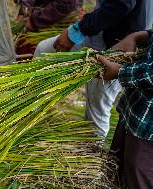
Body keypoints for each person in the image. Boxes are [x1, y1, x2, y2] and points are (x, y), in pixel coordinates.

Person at [34, 0, 152, 138]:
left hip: (116, 48)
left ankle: (94, 154)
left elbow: (121, 4)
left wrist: (77, 31)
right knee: (43, 49)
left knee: (97, 110)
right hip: (98, 37)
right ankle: (33, 114)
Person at [97, 29, 153, 188]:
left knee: (137, 177)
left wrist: (120, 72)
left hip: (147, 130)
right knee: (117, 167)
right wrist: (139, 36)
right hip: (135, 110)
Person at [14, 0, 79, 55]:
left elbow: (64, 4)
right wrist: (24, 10)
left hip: (55, 24)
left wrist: (35, 21)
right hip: (38, 20)